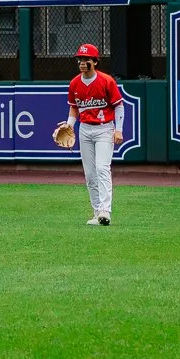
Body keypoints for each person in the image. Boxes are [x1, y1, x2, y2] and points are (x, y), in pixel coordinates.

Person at [66, 42, 125, 226]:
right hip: (85, 130)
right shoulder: (75, 83)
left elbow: (119, 106)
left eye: (86, 59)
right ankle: (97, 212)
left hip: (104, 129)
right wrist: (69, 126)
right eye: (80, 59)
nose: (82, 62)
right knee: (90, 174)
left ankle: (105, 211)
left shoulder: (106, 81)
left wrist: (118, 129)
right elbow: (74, 108)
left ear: (95, 62)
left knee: (102, 168)